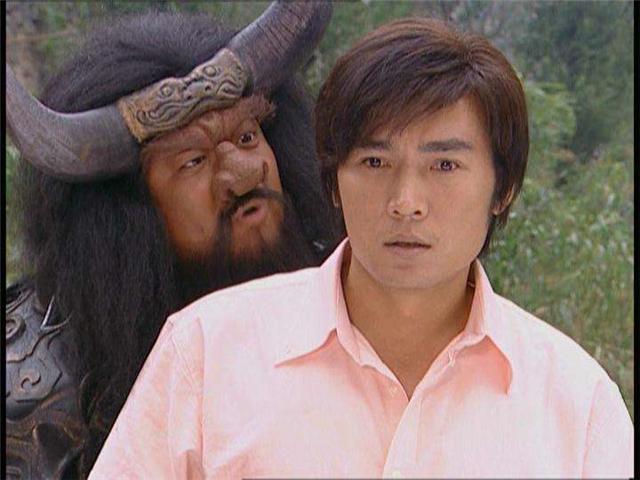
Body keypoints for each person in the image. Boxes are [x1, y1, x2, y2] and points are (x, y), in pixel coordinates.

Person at [89, 17, 633, 479]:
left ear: (503, 187)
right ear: (332, 180)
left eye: (445, 165)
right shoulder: (204, 354)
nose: (406, 202)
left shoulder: (578, 405)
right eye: (375, 162)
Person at [5, 3, 340, 478]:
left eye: (248, 137)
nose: (245, 174)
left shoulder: (350, 302)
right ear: (127, 221)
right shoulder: (34, 381)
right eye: (193, 162)